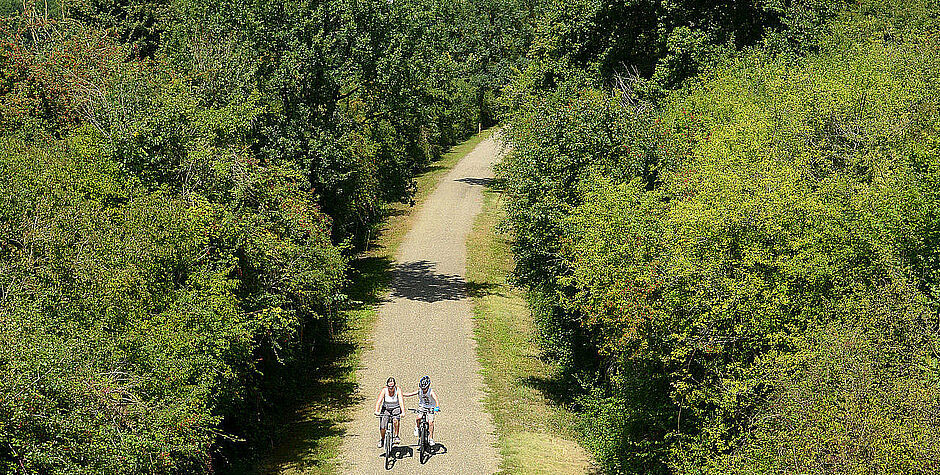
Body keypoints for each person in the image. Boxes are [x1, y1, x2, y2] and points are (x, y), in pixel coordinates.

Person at [403, 375, 440, 445]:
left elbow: (436, 400)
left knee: (430, 422)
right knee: (418, 418)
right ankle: (417, 427)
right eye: (422, 388)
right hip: (422, 407)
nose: (423, 390)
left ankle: (430, 438)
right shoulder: (420, 391)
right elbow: (411, 394)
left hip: (430, 408)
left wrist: (437, 407)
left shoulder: (431, 392)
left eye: (425, 388)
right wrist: (401, 394)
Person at [374, 377, 403, 447]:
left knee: (396, 420)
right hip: (386, 409)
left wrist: (403, 412)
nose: (391, 388)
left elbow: (401, 401)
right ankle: (382, 439)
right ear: (387, 386)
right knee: (383, 426)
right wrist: (376, 411)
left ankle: (396, 436)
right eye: (389, 387)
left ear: (394, 386)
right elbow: (379, 401)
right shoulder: (384, 390)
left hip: (395, 408)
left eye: (392, 386)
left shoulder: (398, 390)